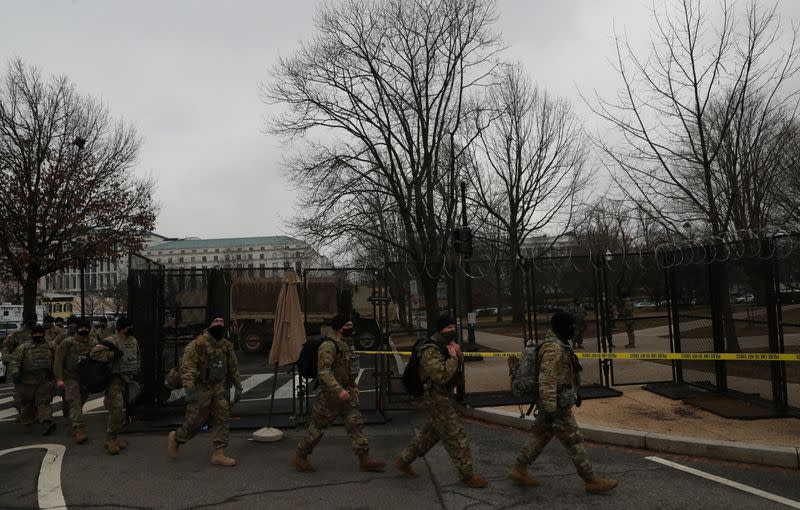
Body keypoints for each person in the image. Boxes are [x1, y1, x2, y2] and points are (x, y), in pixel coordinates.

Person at [507, 311, 617, 494]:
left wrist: (572, 392)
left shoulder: (560, 345)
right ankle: (591, 480)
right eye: (571, 326)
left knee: (540, 435)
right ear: (562, 328)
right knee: (574, 440)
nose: (574, 329)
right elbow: (547, 379)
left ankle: (519, 469)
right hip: (556, 406)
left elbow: (563, 375)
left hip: (555, 403)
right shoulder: (554, 349)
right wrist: (550, 407)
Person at [395, 315, 488, 488]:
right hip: (436, 400)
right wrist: (453, 358)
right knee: (457, 437)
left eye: (454, 326)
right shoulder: (430, 350)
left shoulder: (446, 346)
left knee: (430, 435)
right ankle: (467, 476)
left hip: (444, 398)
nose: (452, 330)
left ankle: (403, 460)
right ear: (440, 329)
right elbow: (441, 376)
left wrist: (457, 355)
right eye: (448, 327)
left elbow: (455, 375)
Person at [293, 315, 386, 473]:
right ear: (339, 327)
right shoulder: (329, 345)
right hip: (329, 395)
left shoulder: (346, 343)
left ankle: (364, 460)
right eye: (347, 325)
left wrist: (352, 385)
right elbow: (324, 371)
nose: (351, 328)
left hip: (346, 393)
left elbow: (347, 368)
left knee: (355, 425)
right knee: (317, 428)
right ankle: (300, 456)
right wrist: (339, 390)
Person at [167, 316, 243, 467]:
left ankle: (219, 453)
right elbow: (187, 367)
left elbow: (233, 367)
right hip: (201, 387)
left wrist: (238, 386)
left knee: (223, 416)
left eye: (222, 322)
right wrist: (189, 389)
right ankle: (177, 438)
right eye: (216, 321)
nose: (219, 324)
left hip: (219, 386)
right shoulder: (198, 344)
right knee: (196, 421)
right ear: (210, 325)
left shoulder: (226, 346)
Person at [90, 316, 139, 455]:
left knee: (120, 409)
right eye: (128, 326)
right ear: (122, 328)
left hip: (127, 379)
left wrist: (136, 372)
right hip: (114, 380)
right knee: (117, 409)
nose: (131, 329)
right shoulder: (111, 341)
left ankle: (115, 438)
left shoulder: (133, 341)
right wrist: (112, 355)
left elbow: (137, 357)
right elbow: (94, 354)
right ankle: (111, 439)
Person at [54, 318, 97, 444]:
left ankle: (70, 421)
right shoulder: (67, 343)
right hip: (70, 378)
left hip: (85, 378)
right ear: (77, 329)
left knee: (80, 400)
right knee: (75, 402)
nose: (84, 330)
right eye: (82, 327)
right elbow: (58, 362)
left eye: (86, 327)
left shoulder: (93, 342)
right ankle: (79, 429)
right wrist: (59, 379)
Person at [8, 324, 56, 434]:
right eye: (35, 333)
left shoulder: (50, 346)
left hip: (43, 380)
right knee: (27, 404)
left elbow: (56, 360)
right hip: (27, 381)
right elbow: (15, 361)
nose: (38, 335)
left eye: (40, 333)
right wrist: (15, 373)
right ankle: (27, 422)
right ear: (32, 334)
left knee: (43, 402)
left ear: (43, 334)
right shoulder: (23, 347)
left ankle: (46, 422)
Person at [2, 312, 36, 419]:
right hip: (20, 370)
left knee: (37, 395)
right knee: (19, 397)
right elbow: (6, 349)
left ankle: (32, 414)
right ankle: (24, 413)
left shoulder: (39, 333)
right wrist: (11, 361)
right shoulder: (16, 334)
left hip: (36, 369)